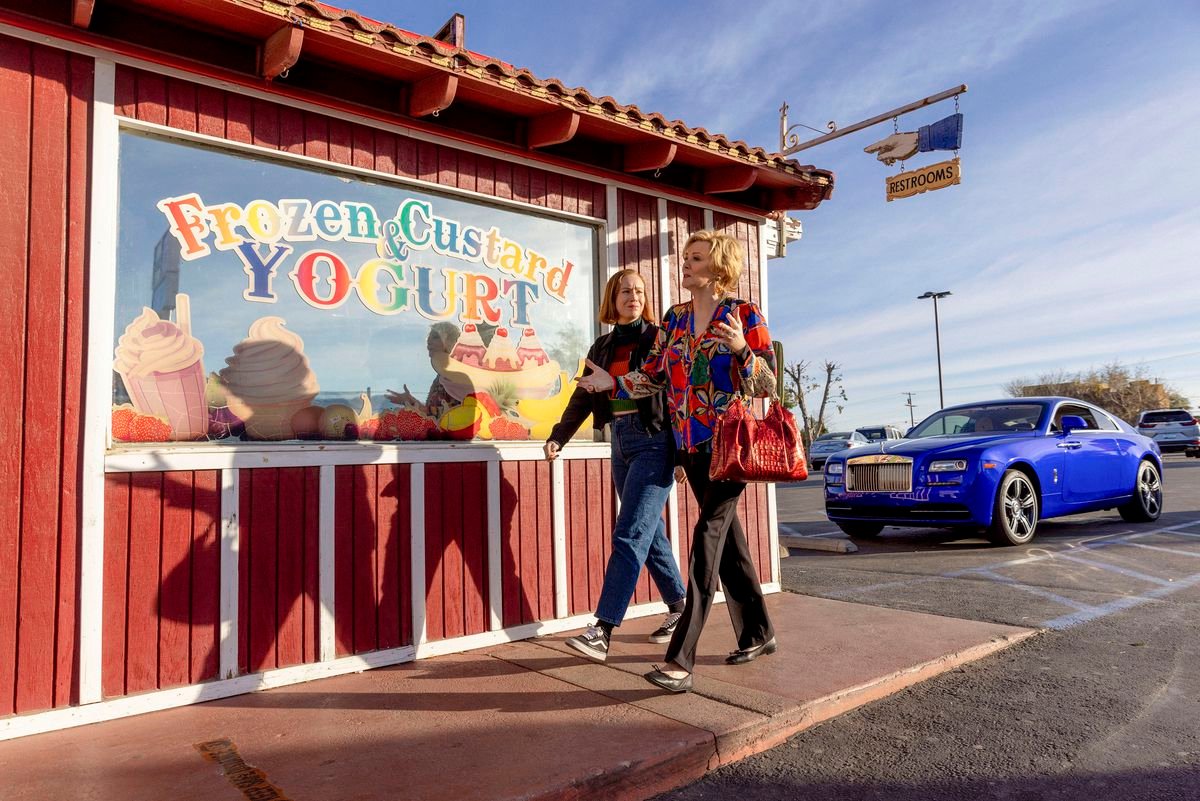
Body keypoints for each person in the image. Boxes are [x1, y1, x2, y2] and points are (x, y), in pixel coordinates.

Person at [579, 231, 778, 693]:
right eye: (684, 257)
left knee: (705, 541)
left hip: (728, 447)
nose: (684, 265)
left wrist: (742, 352)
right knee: (729, 545)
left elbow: (767, 385)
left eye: (695, 258)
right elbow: (653, 378)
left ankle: (680, 659)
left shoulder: (745, 314)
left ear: (720, 266)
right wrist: (612, 382)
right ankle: (759, 632)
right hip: (688, 447)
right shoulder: (676, 318)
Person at [546, 269, 687, 663]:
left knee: (629, 534)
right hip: (621, 443)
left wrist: (681, 452)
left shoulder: (658, 338)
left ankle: (602, 629)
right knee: (649, 532)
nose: (634, 296)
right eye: (626, 290)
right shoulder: (603, 345)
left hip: (655, 441)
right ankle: (680, 605)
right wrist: (559, 435)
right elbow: (582, 395)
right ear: (613, 298)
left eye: (640, 290)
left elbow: (675, 392)